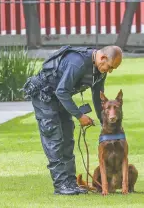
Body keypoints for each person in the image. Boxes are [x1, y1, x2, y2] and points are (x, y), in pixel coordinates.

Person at [22, 45, 123, 195]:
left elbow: (98, 98)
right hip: (45, 96)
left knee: (68, 138)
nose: (109, 71)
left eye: (112, 69)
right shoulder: (77, 63)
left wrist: (105, 125)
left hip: (61, 98)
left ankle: (70, 182)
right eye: (109, 67)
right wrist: (80, 116)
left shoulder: (99, 70)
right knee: (54, 139)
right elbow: (62, 91)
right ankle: (61, 185)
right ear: (102, 58)